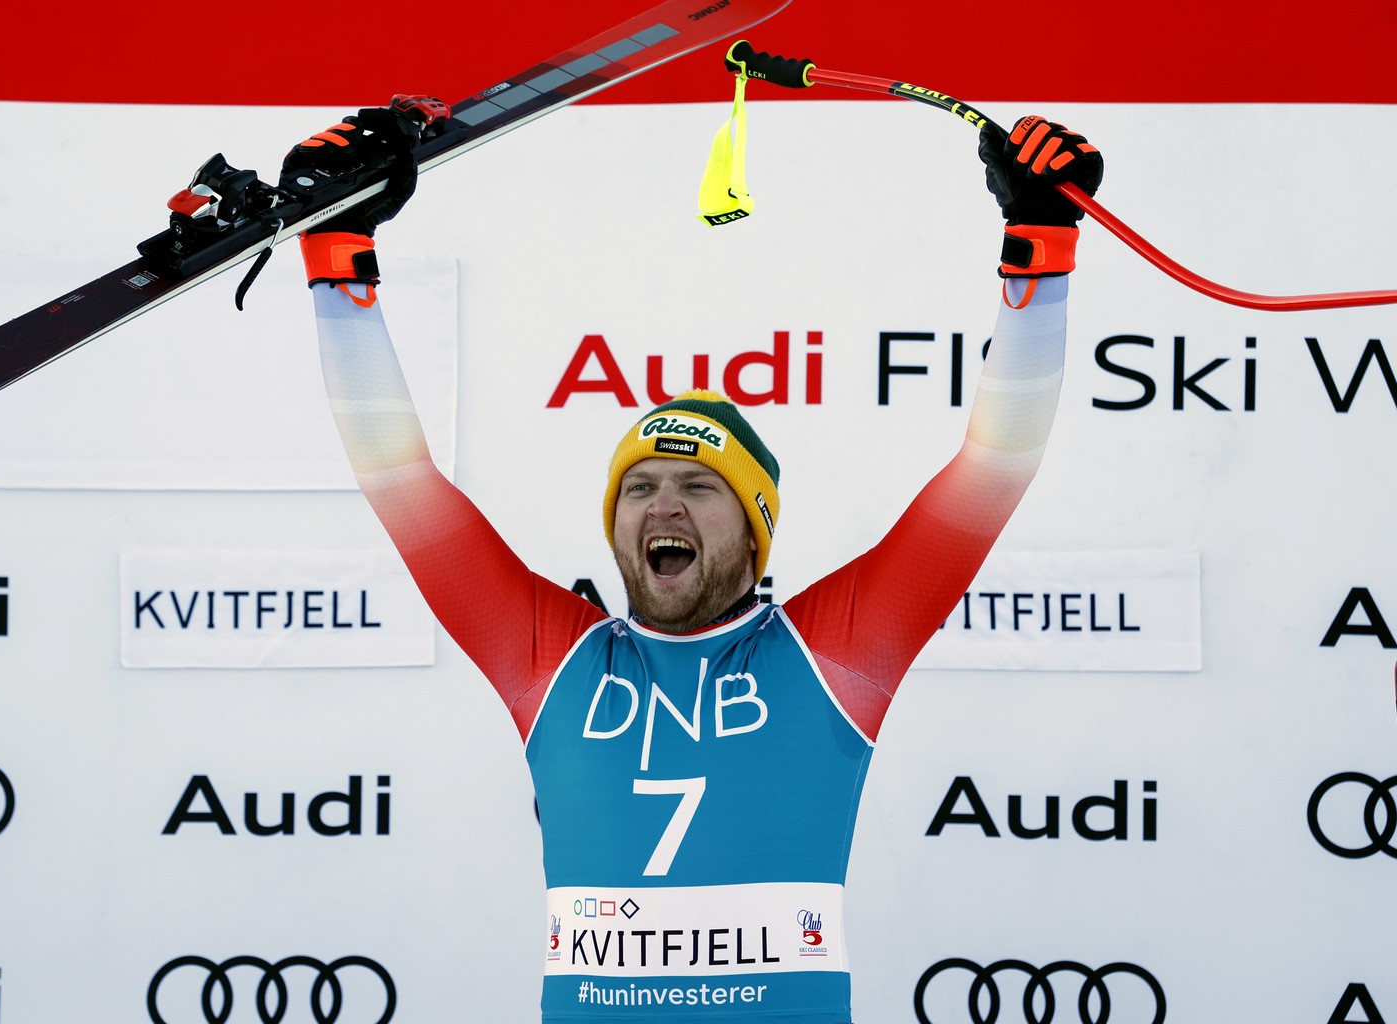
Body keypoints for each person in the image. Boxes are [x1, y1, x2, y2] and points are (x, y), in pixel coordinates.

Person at [286, 106, 1102, 1023]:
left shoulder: (833, 650)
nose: (663, 505)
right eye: (639, 488)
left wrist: (1040, 241)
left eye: (698, 488)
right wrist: (337, 253)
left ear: (756, 531)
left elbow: (994, 467)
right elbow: (398, 477)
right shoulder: (555, 658)